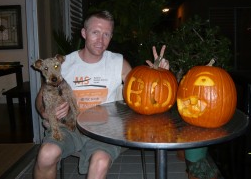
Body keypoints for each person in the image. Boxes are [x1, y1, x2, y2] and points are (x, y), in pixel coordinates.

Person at [34, 10, 169, 179]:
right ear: (84, 33)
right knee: (46, 155)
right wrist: (45, 112)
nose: (101, 40)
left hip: (106, 130)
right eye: (95, 32)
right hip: (70, 126)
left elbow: (144, 92)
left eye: (106, 34)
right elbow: (41, 96)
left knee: (100, 162)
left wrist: (161, 75)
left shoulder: (117, 62)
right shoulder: (65, 64)